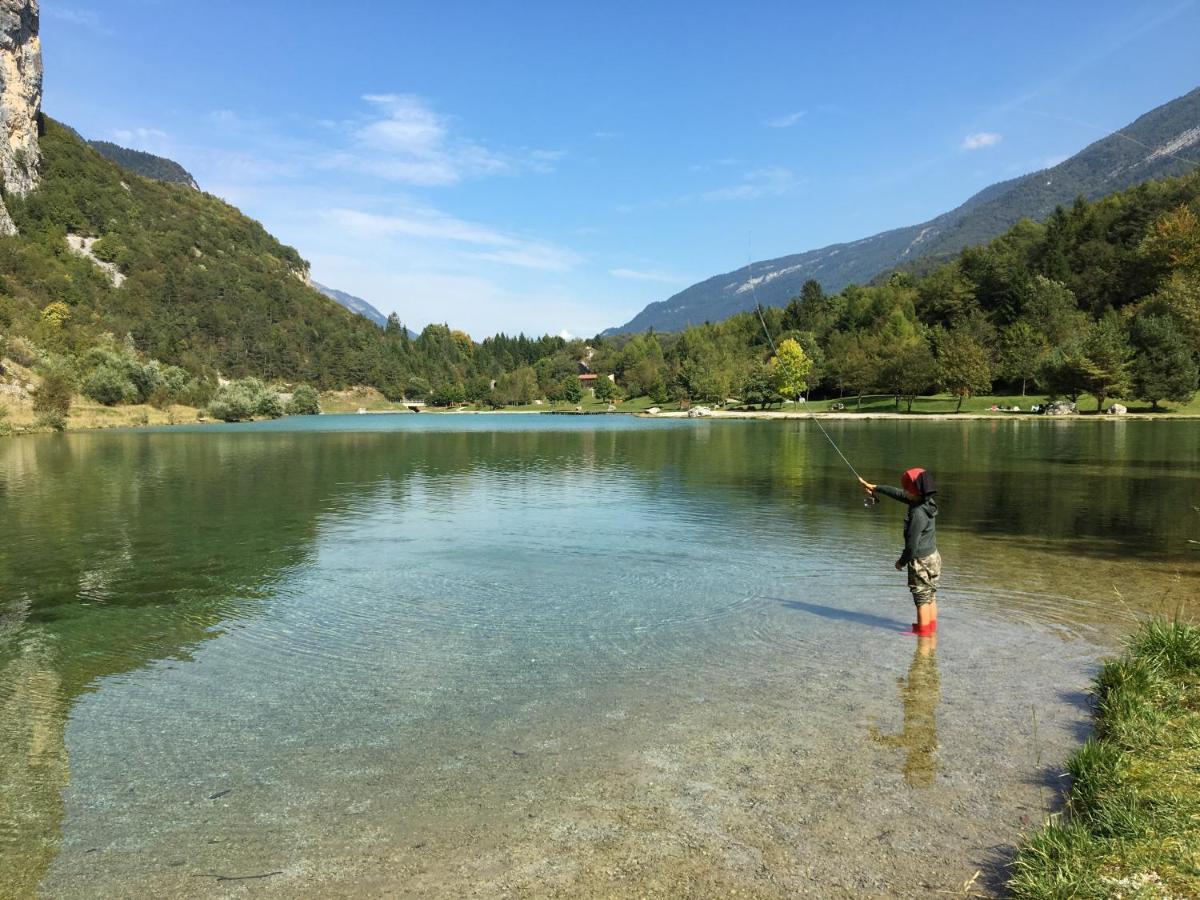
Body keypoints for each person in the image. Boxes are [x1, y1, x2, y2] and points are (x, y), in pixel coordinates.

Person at [857, 468, 941, 636]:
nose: (903, 492)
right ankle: (930, 628)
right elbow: (897, 494)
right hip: (933, 557)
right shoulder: (926, 502)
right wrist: (875, 487)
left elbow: (911, 547)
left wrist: (901, 562)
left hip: (920, 561)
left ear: (915, 492)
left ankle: (923, 635)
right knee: (930, 593)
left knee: (921, 598)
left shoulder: (916, 513)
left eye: (906, 489)